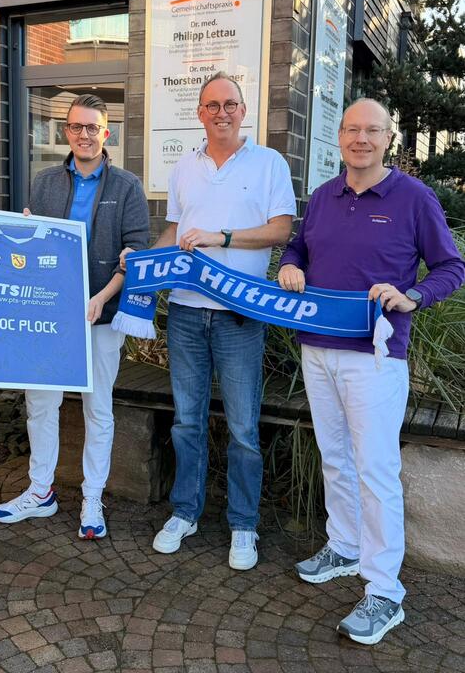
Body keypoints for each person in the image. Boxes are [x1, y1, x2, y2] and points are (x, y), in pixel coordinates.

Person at [278, 98, 465, 644]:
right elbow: (297, 247)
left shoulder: (414, 198)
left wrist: (413, 296)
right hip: (318, 348)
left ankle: (385, 591)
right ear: (339, 137)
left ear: (388, 139)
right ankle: (344, 545)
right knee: (334, 456)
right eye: (352, 130)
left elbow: (451, 266)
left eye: (372, 131)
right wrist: (289, 265)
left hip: (376, 356)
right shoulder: (323, 196)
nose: (361, 139)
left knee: (376, 470)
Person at [149, 71, 297, 569]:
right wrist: (144, 261)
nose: (222, 112)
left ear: (243, 110)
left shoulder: (269, 162)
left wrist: (223, 237)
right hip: (186, 313)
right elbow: (174, 229)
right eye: (212, 105)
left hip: (240, 314)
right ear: (199, 113)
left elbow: (280, 230)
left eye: (230, 103)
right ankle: (184, 512)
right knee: (186, 420)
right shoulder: (184, 167)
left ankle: (243, 524)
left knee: (242, 428)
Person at [0, 94, 149, 539]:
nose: (84, 135)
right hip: (49, 317)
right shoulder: (44, 182)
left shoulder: (127, 186)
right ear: (66, 131)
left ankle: (92, 498)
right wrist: (26, 231)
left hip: (102, 315)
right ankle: (40, 491)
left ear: (106, 133)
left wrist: (102, 296)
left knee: (98, 409)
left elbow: (136, 252)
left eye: (92, 127)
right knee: (41, 404)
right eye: (76, 126)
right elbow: (33, 247)